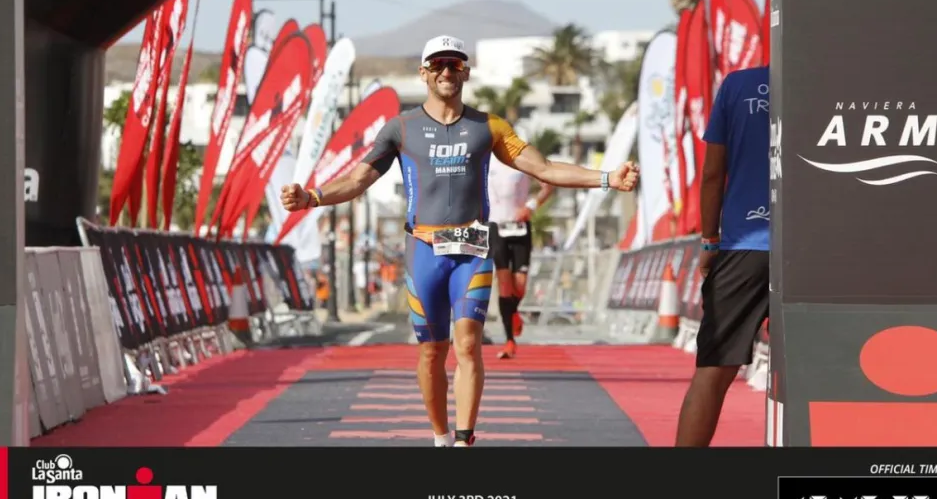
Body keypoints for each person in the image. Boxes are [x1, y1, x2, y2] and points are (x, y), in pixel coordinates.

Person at [281, 35, 640, 448]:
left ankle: (465, 440)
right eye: (438, 65)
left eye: (455, 65)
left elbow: (542, 168)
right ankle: (440, 437)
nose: (447, 72)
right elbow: (358, 178)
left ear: (466, 72)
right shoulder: (401, 128)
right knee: (432, 352)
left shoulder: (488, 127)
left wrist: (607, 178)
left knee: (468, 344)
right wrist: (313, 197)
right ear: (424, 73)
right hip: (423, 252)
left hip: (472, 249)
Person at [675, 65, 770, 447]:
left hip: (745, 245)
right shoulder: (826, 83)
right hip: (809, 249)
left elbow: (713, 173)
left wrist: (710, 242)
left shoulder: (738, 84)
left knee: (712, 372)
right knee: (810, 369)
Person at [487, 153, 553, 359]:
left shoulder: (522, 160)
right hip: (495, 227)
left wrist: (530, 207)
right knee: (504, 284)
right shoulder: (484, 159)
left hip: (519, 227)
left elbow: (548, 185)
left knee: (520, 284)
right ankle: (509, 341)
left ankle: (513, 312)